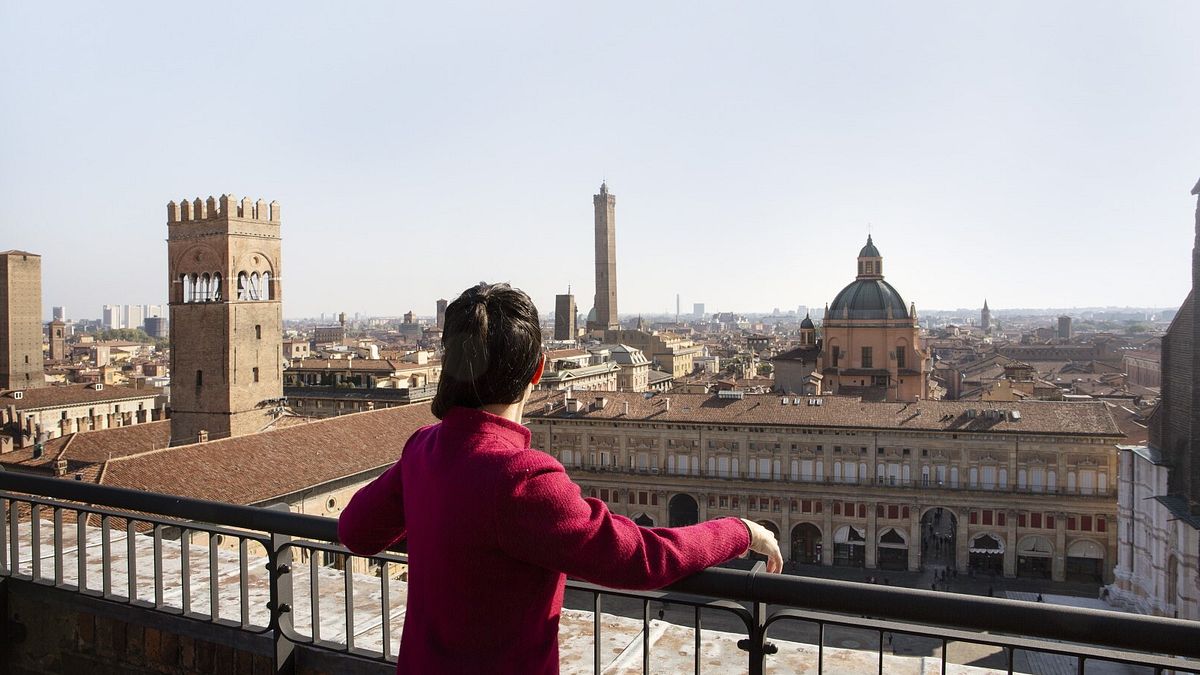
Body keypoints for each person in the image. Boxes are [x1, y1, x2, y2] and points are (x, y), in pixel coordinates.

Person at [338, 282, 782, 674]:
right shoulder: (520, 476)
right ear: (537, 370)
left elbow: (355, 531)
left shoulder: (424, 448)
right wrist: (739, 531)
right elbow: (640, 559)